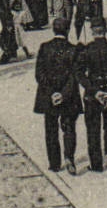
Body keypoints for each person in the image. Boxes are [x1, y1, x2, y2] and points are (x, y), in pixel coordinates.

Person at [75, 18, 107, 176]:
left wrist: (94, 91)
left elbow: (79, 74)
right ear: (105, 30)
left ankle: (96, 164)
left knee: (93, 129)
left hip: (93, 95)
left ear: (92, 31)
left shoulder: (86, 50)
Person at [34, 17, 82, 175]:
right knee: (69, 128)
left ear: (53, 30)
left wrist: (52, 93)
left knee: (51, 129)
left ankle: (54, 163)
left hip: (48, 97)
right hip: (69, 96)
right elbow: (75, 76)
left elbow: (39, 74)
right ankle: (69, 157)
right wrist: (63, 94)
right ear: (68, 30)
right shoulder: (73, 49)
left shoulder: (44, 47)